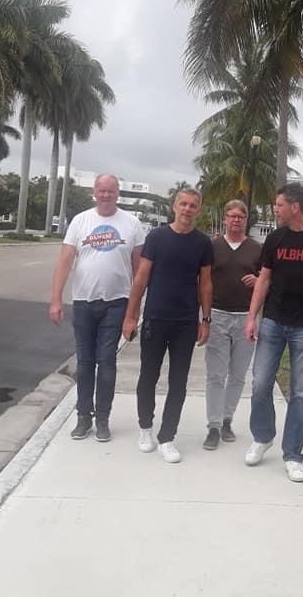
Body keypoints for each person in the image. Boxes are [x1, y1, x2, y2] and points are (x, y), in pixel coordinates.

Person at [243, 183, 303, 482]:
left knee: (301, 392)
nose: (275, 209)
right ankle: (262, 437)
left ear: (294, 206)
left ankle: (293, 454)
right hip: (273, 321)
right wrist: (252, 317)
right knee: (260, 383)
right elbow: (263, 279)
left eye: (279, 205)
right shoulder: (275, 238)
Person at [50, 174, 146, 442]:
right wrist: (56, 299)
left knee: (106, 361)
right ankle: (84, 417)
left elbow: (139, 270)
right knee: (84, 362)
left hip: (117, 303)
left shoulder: (132, 224)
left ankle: (103, 418)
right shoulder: (81, 221)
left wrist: (134, 312)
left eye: (110, 191)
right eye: (101, 190)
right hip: (83, 302)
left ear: (118, 193)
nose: (106, 195)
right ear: (95, 192)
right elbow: (65, 261)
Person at [122, 188, 213, 464]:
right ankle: (145, 428)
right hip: (156, 318)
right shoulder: (157, 237)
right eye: (183, 204)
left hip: (185, 322)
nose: (187, 209)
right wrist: (130, 316)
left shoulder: (202, 243)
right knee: (148, 375)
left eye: (193, 205)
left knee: (178, 381)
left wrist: (205, 320)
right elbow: (141, 277)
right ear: (174, 206)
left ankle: (167, 436)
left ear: (198, 210)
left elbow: (206, 283)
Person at [202, 199, 262, 450]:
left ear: (246, 220)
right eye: (232, 215)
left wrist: (258, 280)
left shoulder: (257, 249)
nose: (236, 220)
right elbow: (203, 280)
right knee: (216, 375)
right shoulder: (212, 246)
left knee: (237, 375)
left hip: (246, 318)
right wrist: (203, 317)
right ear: (225, 218)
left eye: (240, 216)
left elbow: (267, 281)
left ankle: (227, 420)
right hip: (217, 315)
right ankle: (213, 426)